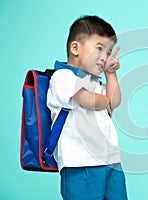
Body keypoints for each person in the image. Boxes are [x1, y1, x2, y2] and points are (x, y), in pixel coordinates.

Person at [46, 15, 128, 200]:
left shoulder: (93, 81)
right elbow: (89, 100)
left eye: (108, 52)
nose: (104, 57)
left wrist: (111, 75)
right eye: (99, 48)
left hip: (110, 161)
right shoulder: (63, 77)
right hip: (80, 162)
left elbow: (114, 101)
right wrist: (105, 100)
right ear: (75, 48)